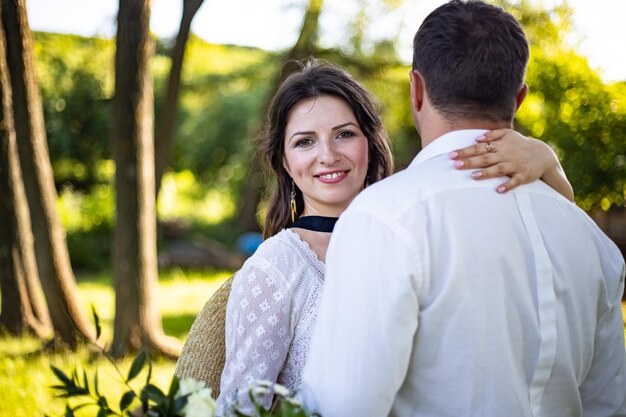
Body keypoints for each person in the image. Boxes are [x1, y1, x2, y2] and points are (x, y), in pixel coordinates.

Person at [300, 2, 626, 417]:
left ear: (416, 89)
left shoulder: (384, 217)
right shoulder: (592, 240)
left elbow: (342, 407)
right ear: (519, 98)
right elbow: (609, 406)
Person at [216, 58, 576, 414]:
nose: (327, 155)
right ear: (283, 161)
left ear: (368, 142)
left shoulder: (418, 225)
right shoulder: (276, 267)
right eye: (305, 142)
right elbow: (239, 408)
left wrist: (547, 160)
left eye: (344, 134)